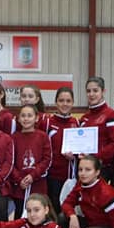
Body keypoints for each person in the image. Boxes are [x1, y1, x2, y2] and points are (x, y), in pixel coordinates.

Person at [9, 105, 52, 218]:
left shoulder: (43, 136)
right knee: (20, 217)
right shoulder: (13, 138)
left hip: (38, 185)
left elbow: (47, 159)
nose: (26, 118)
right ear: (18, 119)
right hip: (20, 187)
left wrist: (33, 175)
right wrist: (19, 179)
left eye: (29, 116)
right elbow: (9, 162)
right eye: (23, 116)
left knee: (39, 217)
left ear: (36, 118)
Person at [79, 76, 114, 182]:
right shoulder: (84, 118)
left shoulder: (111, 115)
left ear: (103, 91)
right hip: (85, 169)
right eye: (88, 91)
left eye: (95, 90)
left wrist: (96, 156)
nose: (91, 94)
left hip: (103, 169)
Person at [42, 86, 77, 214]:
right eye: (61, 100)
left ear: (72, 103)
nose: (64, 104)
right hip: (52, 175)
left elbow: (81, 149)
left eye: (68, 101)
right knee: (54, 208)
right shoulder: (47, 123)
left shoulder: (77, 123)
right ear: (56, 102)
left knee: (68, 208)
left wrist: (75, 156)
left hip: (70, 176)